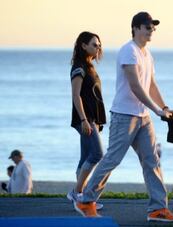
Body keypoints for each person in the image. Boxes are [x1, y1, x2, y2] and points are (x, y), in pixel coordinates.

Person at [74, 12, 173, 222]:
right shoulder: (128, 51)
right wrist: (158, 111)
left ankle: (157, 209)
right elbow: (135, 86)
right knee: (112, 158)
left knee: (152, 161)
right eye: (148, 27)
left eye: (153, 27)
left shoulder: (147, 53)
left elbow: (151, 84)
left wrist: (164, 106)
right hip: (124, 116)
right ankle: (86, 199)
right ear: (137, 28)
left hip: (143, 117)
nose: (151, 31)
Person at [67, 31, 106, 210]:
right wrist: (84, 120)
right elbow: (76, 95)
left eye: (99, 45)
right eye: (94, 44)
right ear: (83, 46)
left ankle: (81, 197)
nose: (98, 47)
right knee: (97, 154)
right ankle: (78, 192)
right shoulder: (79, 67)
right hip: (85, 118)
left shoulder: (90, 66)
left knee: (85, 158)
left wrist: (97, 121)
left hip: (92, 119)